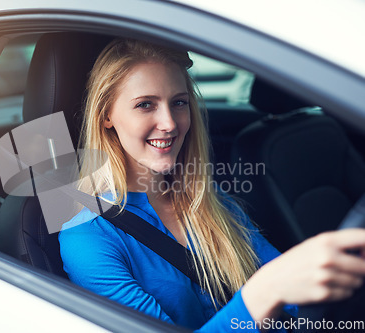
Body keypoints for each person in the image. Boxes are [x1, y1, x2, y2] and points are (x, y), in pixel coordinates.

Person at [58, 38, 365, 331]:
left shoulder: (209, 200)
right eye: (145, 105)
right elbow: (273, 283)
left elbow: (293, 297)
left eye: (179, 102)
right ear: (107, 116)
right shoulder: (87, 237)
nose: (169, 122)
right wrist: (263, 293)